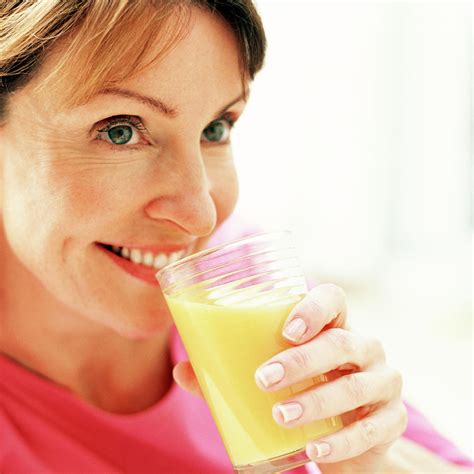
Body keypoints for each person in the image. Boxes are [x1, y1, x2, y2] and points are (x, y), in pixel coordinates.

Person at [0, 1, 471, 473]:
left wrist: (369, 460)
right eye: (120, 131)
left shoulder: (239, 277)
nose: (201, 215)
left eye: (215, 128)